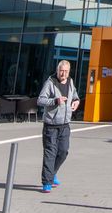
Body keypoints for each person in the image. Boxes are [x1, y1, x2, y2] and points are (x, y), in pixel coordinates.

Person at [37, 60, 80, 193]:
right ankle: (47, 182)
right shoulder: (50, 83)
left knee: (63, 152)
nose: (63, 74)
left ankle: (52, 173)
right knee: (50, 153)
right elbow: (40, 100)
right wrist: (55, 100)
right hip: (51, 125)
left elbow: (75, 95)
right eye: (61, 71)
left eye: (66, 71)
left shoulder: (70, 82)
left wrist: (76, 101)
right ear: (57, 70)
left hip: (65, 125)